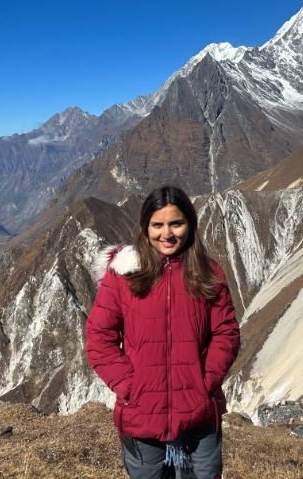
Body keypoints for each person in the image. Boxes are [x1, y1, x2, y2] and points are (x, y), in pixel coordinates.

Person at [86, 185, 240, 479]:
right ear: (145, 228)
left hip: (199, 413)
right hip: (141, 415)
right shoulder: (123, 276)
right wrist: (132, 387)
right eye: (157, 225)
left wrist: (205, 382)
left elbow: (226, 333)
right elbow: (99, 337)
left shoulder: (208, 272)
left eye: (176, 223)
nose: (166, 234)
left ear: (190, 225)